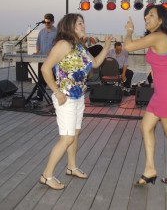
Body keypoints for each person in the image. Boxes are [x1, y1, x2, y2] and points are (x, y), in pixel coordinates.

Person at [39, 13, 112, 190]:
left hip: (79, 96)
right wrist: (56, 92)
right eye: (79, 23)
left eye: (83, 23)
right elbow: (45, 68)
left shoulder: (79, 46)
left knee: (75, 134)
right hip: (65, 98)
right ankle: (46, 175)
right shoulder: (63, 45)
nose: (83, 25)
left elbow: (94, 63)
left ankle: (71, 167)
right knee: (67, 138)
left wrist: (107, 46)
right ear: (70, 26)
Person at [124, 5, 167, 185]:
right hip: (161, 92)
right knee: (146, 127)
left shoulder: (159, 37)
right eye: (146, 15)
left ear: (161, 20)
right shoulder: (157, 38)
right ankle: (150, 169)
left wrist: (129, 31)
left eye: (151, 15)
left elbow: (128, 46)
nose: (146, 18)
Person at [32, 13, 57, 101]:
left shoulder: (56, 32)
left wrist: (52, 51)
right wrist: (37, 51)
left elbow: (59, 45)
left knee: (54, 78)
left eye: (48, 23)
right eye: (45, 22)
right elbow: (38, 43)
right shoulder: (41, 31)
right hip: (42, 58)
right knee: (41, 78)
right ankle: (39, 96)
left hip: (52, 59)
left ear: (52, 22)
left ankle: (57, 96)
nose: (46, 24)